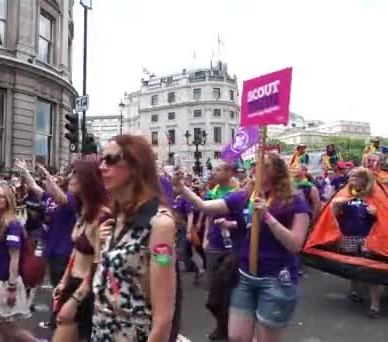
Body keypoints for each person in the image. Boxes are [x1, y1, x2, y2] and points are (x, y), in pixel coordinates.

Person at [182, 152, 310, 342]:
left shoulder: (294, 200)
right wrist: (182, 188)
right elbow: (205, 206)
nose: (255, 169)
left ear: (277, 171)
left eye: (263, 165)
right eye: (254, 164)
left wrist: (267, 216)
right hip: (245, 276)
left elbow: (295, 244)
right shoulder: (244, 196)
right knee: (237, 336)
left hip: (276, 278)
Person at [93, 135, 180, 341]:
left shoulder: (159, 224)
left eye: (111, 160)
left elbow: (163, 318)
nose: (102, 167)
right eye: (101, 160)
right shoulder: (117, 218)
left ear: (136, 165)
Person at [180, 161, 244, 340]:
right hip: (215, 246)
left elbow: (245, 221)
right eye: (214, 169)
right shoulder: (212, 192)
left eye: (218, 169)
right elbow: (208, 213)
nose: (214, 173)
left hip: (233, 249)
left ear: (230, 172)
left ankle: (229, 329)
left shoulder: (238, 194)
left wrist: (230, 225)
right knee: (213, 297)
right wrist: (207, 236)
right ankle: (222, 325)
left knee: (230, 293)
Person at [51, 160, 110, 342]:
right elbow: (76, 252)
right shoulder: (83, 212)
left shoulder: (102, 216)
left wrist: (76, 299)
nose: (70, 178)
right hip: (74, 284)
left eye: (75, 173)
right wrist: (63, 282)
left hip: (88, 291)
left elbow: (98, 263)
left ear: (88, 180)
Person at [15, 160, 77, 330]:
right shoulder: (50, 198)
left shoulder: (72, 199)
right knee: (56, 288)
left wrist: (47, 176)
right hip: (51, 249)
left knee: (60, 289)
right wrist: (25, 171)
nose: (55, 182)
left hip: (63, 252)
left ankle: (59, 324)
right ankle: (57, 320)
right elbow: (34, 187)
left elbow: (61, 197)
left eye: (63, 180)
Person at [0, 185, 37, 341]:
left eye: (1, 196)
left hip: (7, 282)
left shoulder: (12, 224)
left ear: (8, 201)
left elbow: (15, 257)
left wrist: (11, 287)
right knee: (1, 326)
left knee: (9, 328)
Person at [330, 167, 384, 318]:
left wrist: (375, 214)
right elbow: (331, 219)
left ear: (365, 180)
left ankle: (375, 305)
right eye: (351, 175)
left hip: (370, 238)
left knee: (372, 271)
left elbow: (384, 219)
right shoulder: (345, 195)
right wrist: (335, 206)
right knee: (353, 266)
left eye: (356, 176)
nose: (351, 177)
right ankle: (355, 292)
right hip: (348, 236)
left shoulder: (375, 196)